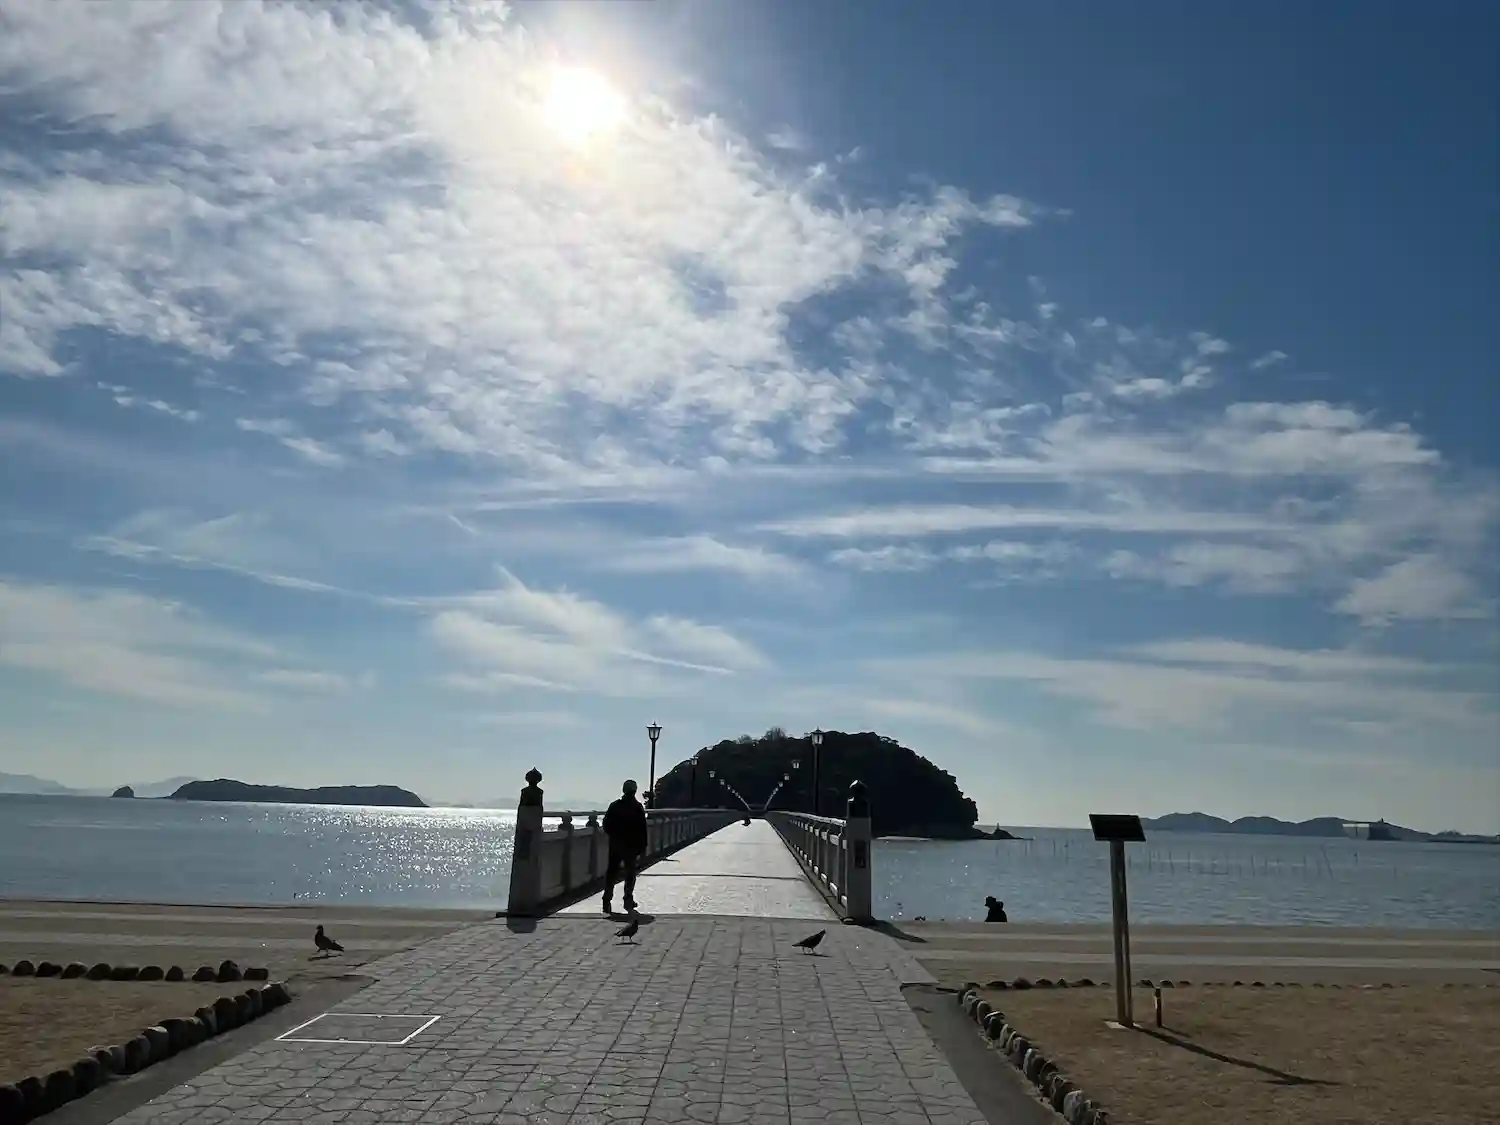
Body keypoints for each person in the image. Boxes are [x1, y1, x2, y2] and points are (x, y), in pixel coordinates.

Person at [602, 779, 648, 915]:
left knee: (612, 873)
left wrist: (614, 835)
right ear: (635, 791)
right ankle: (628, 899)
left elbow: (606, 824)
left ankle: (606, 900)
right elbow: (642, 830)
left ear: (623, 790)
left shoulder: (614, 806)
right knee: (630, 874)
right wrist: (643, 847)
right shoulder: (637, 807)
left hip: (616, 845)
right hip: (631, 846)